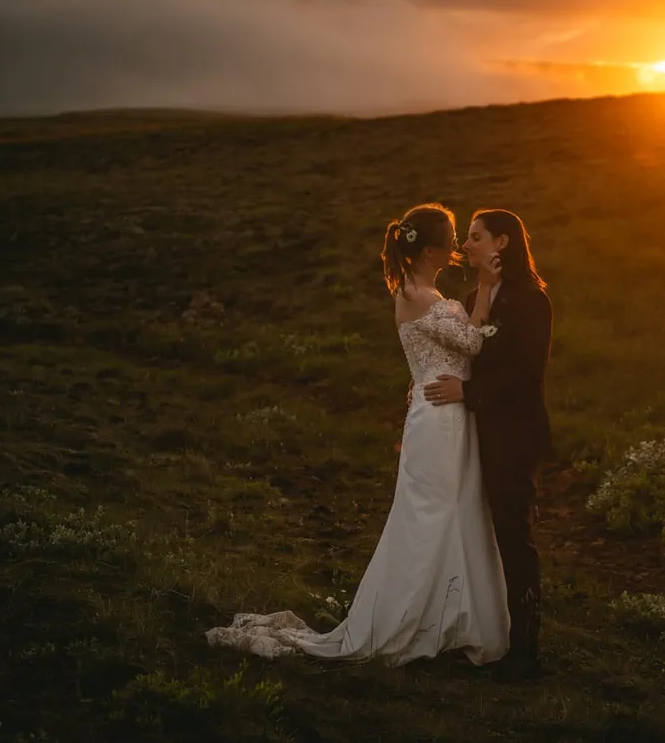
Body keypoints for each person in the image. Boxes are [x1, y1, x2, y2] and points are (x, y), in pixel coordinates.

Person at [206, 203, 509, 666]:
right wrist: (486, 289)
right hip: (438, 421)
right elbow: (471, 342)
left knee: (458, 510)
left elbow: (463, 344)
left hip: (451, 415)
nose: (456, 243)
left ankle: (450, 620)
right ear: (431, 247)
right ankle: (411, 621)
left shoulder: (427, 289)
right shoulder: (417, 293)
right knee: (430, 515)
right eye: (451, 234)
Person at [423, 209, 553, 680]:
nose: (467, 244)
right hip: (476, 435)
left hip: (514, 437)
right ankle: (482, 631)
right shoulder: (473, 296)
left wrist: (468, 393)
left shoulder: (530, 300)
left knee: (514, 539)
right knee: (480, 534)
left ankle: (526, 650)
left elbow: (526, 373)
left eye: (475, 237)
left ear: (501, 243)